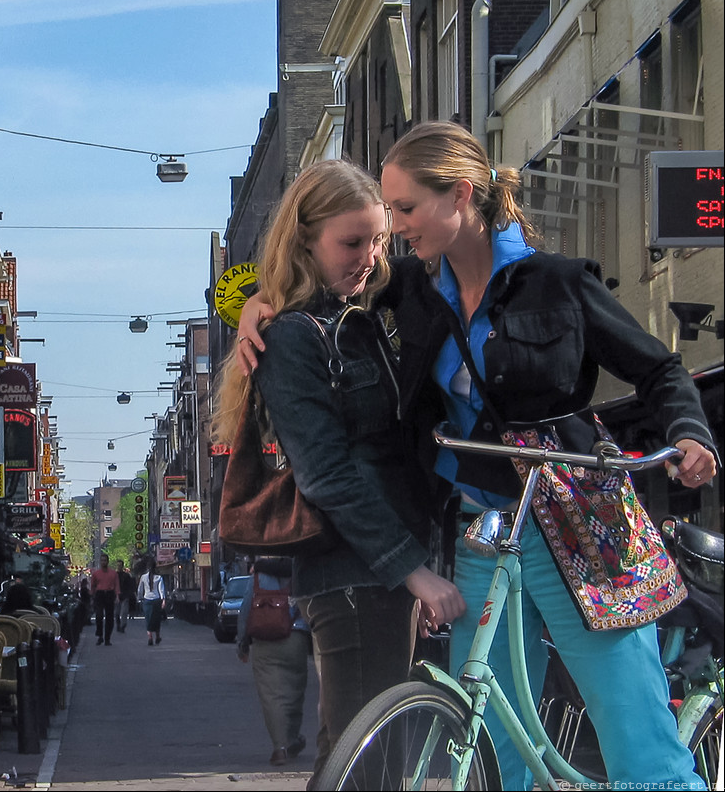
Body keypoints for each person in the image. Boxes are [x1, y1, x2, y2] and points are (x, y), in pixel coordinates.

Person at [237, 123, 717, 789]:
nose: (395, 230)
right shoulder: (410, 289)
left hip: (578, 523)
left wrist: (692, 435)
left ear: (459, 195)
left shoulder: (559, 284)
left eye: (405, 210)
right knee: (488, 736)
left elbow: (661, 369)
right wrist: (254, 307)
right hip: (482, 530)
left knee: (634, 737)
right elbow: (314, 286)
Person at [216, 158, 464, 786]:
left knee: (368, 754)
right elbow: (327, 475)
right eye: (352, 242)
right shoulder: (296, 340)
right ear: (305, 236)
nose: (371, 257)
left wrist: (258, 298)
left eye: (379, 238)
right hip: (353, 572)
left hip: (381, 569)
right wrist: (417, 574)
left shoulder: (362, 309)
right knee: (363, 761)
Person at [236, 558, 311, 767]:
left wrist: (242, 643)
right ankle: (292, 739)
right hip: (295, 637)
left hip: (263, 639)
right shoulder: (300, 570)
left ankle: (279, 748)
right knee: (294, 693)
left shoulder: (257, 576)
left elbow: (245, 609)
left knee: (271, 696)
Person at [136, 557, 168, 646]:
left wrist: (139, 598)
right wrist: (163, 600)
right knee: (156, 620)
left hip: (147, 600)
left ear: (147, 567)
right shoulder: (158, 577)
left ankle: (150, 637)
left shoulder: (143, 577)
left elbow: (140, 590)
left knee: (148, 619)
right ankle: (157, 636)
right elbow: (161, 590)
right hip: (157, 601)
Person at [89, 553, 119, 645]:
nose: (103, 562)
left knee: (109, 617)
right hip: (100, 594)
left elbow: (117, 585)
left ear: (107, 561)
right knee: (99, 615)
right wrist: (92, 596)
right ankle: (100, 635)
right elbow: (93, 586)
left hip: (109, 594)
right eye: (102, 560)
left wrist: (117, 596)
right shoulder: (96, 574)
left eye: (105, 560)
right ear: (100, 561)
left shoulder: (113, 573)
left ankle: (107, 638)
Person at [114, 559, 136, 633]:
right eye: (118, 565)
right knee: (116, 612)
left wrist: (129, 594)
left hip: (125, 596)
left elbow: (130, 585)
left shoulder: (126, 575)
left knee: (124, 612)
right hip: (116, 596)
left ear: (122, 566)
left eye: (120, 565)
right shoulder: (114, 575)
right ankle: (118, 624)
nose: (119, 566)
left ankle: (123, 625)